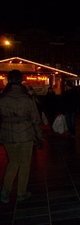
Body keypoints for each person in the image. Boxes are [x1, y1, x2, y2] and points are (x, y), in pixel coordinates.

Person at [0, 69, 43, 204]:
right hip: (25, 134)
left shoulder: (2, 98)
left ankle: (5, 191)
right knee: (25, 164)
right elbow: (36, 119)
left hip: (8, 133)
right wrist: (39, 137)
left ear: (8, 80)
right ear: (20, 80)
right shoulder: (28, 98)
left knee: (13, 162)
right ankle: (21, 193)